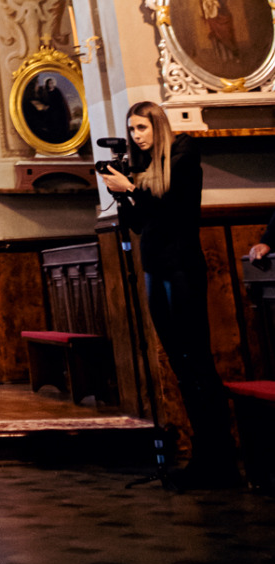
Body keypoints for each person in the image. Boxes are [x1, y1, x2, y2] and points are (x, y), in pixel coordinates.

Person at [103, 101, 240, 487]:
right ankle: (204, 456)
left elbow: (175, 211)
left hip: (182, 268)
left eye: (141, 128)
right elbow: (139, 224)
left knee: (196, 360)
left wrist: (131, 187)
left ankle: (220, 458)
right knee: (179, 363)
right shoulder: (143, 168)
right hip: (155, 269)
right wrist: (125, 194)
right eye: (132, 130)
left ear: (157, 126)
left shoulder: (183, 155)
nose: (136, 136)